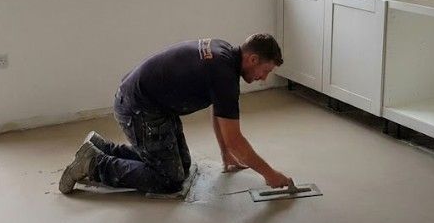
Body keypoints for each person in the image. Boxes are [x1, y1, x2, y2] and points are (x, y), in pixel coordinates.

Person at [59, 34, 294, 195]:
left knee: (182, 166)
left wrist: (226, 153)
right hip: (139, 110)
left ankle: (102, 147)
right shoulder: (224, 77)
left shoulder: (224, 54)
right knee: (168, 180)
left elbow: (220, 113)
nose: (264, 78)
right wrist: (270, 175)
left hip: (150, 104)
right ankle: (93, 164)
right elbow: (236, 140)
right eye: (265, 70)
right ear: (253, 59)